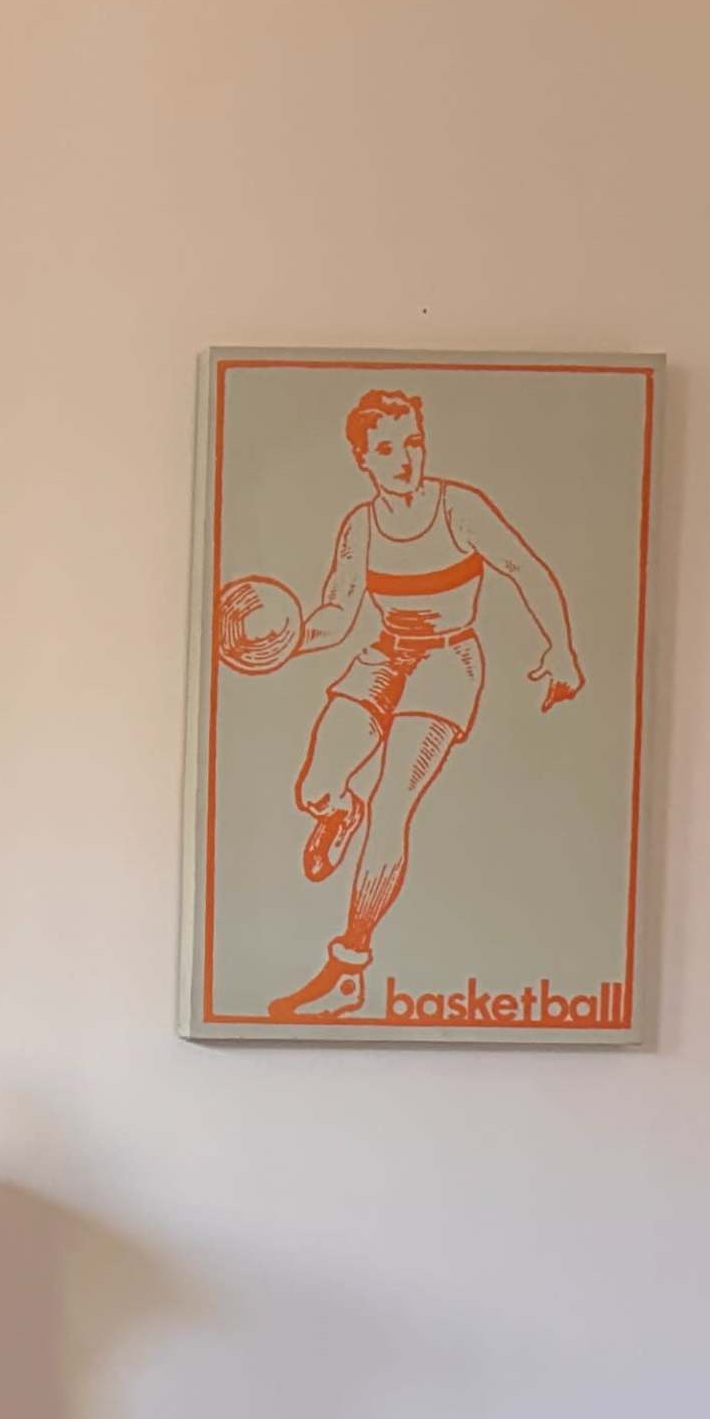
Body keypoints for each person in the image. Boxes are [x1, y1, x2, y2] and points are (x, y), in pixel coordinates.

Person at [268, 388, 586, 1020]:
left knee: (392, 804)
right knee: (315, 787)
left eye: (413, 442)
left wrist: (562, 648)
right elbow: (336, 613)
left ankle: (348, 968)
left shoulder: (459, 508)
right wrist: (288, 641)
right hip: (384, 656)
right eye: (387, 448)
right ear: (363, 459)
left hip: (447, 665)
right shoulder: (360, 526)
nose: (405, 459)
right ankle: (339, 812)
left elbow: (525, 568)